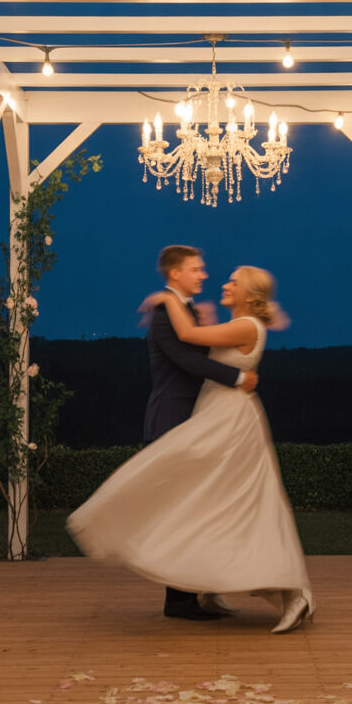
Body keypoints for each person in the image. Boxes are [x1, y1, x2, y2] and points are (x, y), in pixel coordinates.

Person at [66, 263, 314, 634]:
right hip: (217, 412)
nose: (224, 284)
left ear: (248, 294)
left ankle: (293, 593)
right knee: (210, 501)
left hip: (228, 421)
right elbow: (203, 331)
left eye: (233, 282)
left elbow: (188, 333)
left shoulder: (246, 326)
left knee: (216, 496)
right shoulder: (235, 324)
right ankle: (210, 586)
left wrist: (166, 296)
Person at [144, 245, 257, 621]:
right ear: (175, 274)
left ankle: (192, 593)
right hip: (173, 418)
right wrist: (238, 377)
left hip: (195, 419)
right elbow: (186, 359)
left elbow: (199, 341)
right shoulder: (166, 313)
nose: (203, 274)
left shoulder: (184, 309)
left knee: (193, 510)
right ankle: (179, 601)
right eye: (196, 269)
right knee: (180, 511)